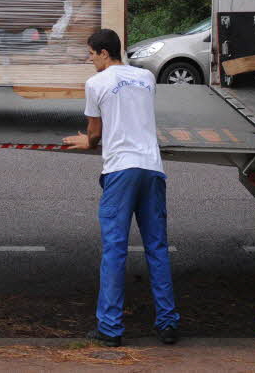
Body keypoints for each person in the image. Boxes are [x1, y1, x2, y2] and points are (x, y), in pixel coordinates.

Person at [63, 28, 180, 347]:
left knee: (115, 250)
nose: (90, 60)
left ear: (103, 53)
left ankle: (110, 328)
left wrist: (86, 141)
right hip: (151, 167)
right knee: (157, 247)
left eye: (91, 54)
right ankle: (167, 324)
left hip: (120, 170)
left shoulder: (95, 83)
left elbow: (95, 133)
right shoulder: (146, 78)